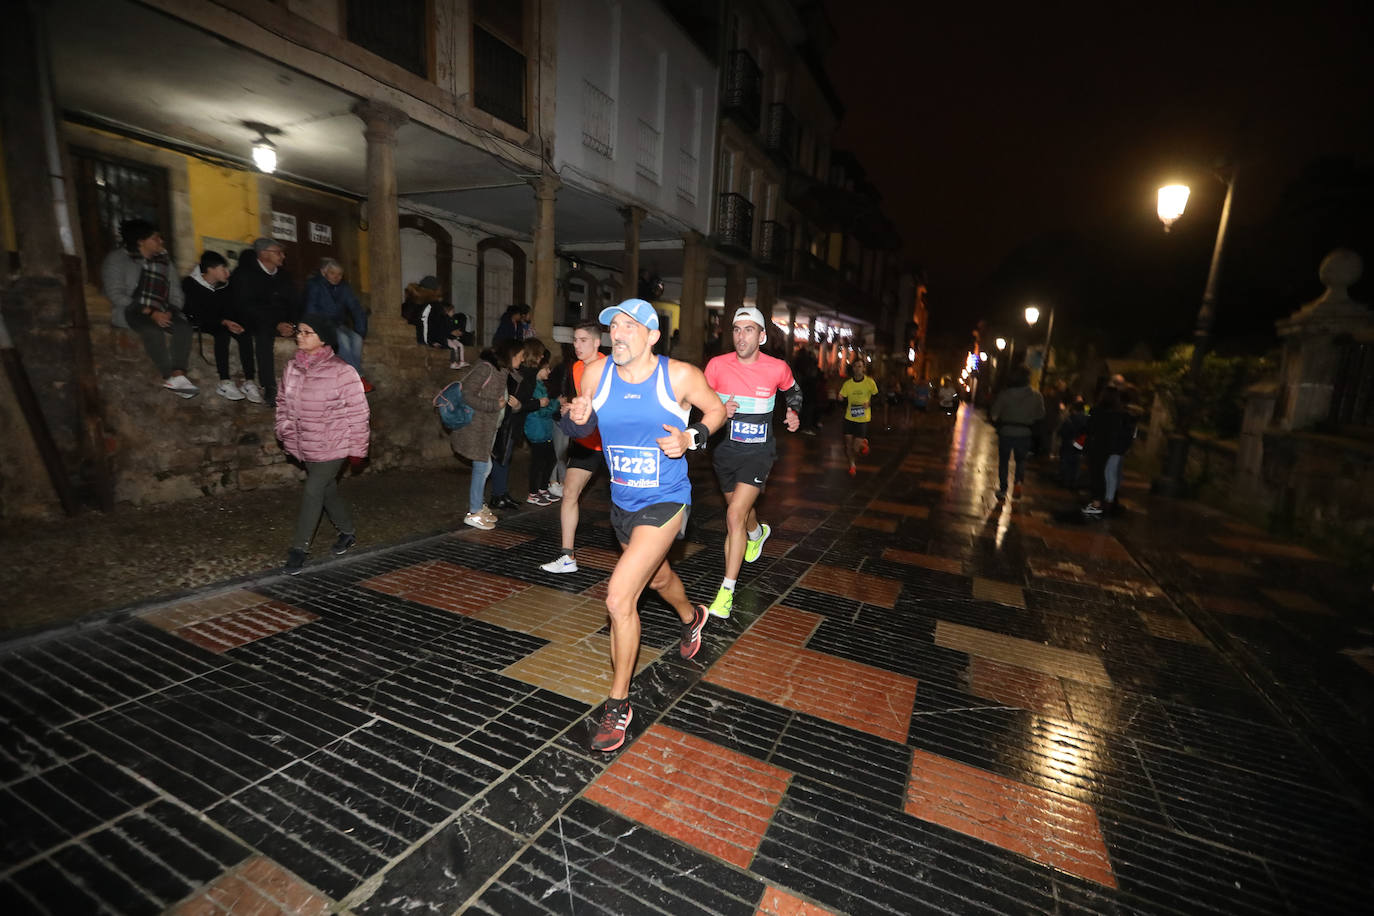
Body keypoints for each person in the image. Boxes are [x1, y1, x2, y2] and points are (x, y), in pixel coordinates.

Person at [560, 298, 726, 751]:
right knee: (657, 578)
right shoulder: (596, 374)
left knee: (618, 597)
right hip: (622, 503)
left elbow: (716, 410)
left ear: (652, 335)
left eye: (629, 325)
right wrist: (576, 419)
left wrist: (690, 438)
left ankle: (618, 705)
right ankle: (692, 617)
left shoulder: (680, 375)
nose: (618, 332)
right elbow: (582, 428)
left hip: (666, 500)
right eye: (614, 325)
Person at [702, 307, 802, 619]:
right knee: (742, 515)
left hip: (759, 453)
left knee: (733, 516)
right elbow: (698, 402)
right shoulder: (717, 366)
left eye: (748, 330)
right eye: (736, 329)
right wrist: (719, 407)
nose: (741, 336)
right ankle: (757, 533)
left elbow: (794, 392)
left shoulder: (777, 368)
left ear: (761, 336)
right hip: (724, 452)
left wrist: (793, 412)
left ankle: (726, 592)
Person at [274, 314, 370, 575]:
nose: (300, 336)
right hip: (306, 444)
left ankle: (299, 549)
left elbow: (358, 413)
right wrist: (284, 430)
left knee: (313, 490)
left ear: (323, 338)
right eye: (299, 331)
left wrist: (357, 450)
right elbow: (282, 403)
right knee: (327, 490)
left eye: (307, 332)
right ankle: (348, 533)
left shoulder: (342, 371)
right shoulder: (292, 368)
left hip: (333, 445)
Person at [100, 219, 198, 398]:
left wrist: (171, 310)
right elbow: (115, 294)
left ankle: (178, 374)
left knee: (183, 328)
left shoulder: (164, 262)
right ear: (141, 241)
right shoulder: (117, 260)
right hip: (132, 309)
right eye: (155, 238)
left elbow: (176, 292)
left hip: (161, 308)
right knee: (151, 331)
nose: (161, 241)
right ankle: (168, 375)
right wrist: (151, 313)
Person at [539, 322, 605, 574]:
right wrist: (572, 409)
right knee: (569, 494)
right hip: (586, 442)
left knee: (625, 503)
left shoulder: (611, 368)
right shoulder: (576, 367)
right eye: (575, 340)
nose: (577, 345)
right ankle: (567, 557)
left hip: (611, 442)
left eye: (583, 340)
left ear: (597, 343)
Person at [449, 344, 514, 530]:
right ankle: (474, 511)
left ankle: (478, 505)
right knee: (481, 467)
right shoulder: (485, 368)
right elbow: (467, 394)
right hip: (478, 427)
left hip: (489, 428)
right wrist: (493, 405)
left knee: (485, 467)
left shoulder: (501, 371)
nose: (522, 359)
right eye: (519, 355)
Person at [230, 238, 297, 405]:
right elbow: (246, 306)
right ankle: (269, 386)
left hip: (281, 323)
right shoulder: (244, 274)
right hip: (254, 321)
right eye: (278, 252)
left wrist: (292, 324)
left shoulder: (284, 276)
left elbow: (294, 303)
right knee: (263, 334)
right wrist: (276, 324)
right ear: (263, 254)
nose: (283, 256)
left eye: (282, 252)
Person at [181, 250, 251, 401]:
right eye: (223, 269)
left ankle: (250, 381)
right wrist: (223, 322)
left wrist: (233, 322)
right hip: (200, 323)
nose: (227, 273)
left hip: (221, 321)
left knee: (243, 333)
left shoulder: (223, 286)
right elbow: (195, 312)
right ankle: (224, 380)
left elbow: (228, 309)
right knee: (222, 334)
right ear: (211, 269)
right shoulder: (189, 284)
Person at [488, 338, 548, 511]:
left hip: (513, 422)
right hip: (509, 423)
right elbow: (517, 402)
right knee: (502, 458)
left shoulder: (525, 373)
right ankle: (498, 495)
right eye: (540, 353)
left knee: (505, 458)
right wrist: (537, 403)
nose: (542, 356)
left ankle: (502, 494)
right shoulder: (524, 375)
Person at [303, 258, 371, 390]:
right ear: (324, 272)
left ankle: (351, 376)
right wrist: (313, 329)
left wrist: (360, 331)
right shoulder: (314, 285)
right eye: (333, 273)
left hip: (338, 324)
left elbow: (355, 308)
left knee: (356, 339)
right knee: (343, 340)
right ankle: (357, 378)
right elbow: (310, 308)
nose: (337, 277)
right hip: (321, 324)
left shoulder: (344, 287)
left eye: (339, 274)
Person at [989, 365, 1046, 500]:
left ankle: (1003, 489)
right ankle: (1018, 483)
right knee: (1021, 461)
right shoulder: (1037, 396)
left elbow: (994, 414)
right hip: (1025, 433)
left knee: (1004, 461)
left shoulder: (1005, 394)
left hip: (1007, 432)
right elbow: (1041, 415)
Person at [1082, 386, 1137, 517]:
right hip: (1110, 448)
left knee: (1097, 475)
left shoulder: (1096, 411)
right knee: (1107, 475)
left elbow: (1089, 428)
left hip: (1097, 447)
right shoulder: (1119, 414)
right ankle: (1106, 501)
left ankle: (1097, 503)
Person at [523, 354, 560, 506]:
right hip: (537, 428)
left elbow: (545, 405)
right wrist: (556, 403)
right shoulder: (534, 386)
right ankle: (532, 493)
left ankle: (543, 489)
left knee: (550, 458)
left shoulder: (540, 385)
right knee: (538, 462)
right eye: (546, 369)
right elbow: (541, 410)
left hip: (544, 428)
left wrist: (551, 403)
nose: (549, 372)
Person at [838, 359, 879, 476]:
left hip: (862, 418)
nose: (857, 369)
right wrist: (840, 398)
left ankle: (862, 444)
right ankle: (852, 465)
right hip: (849, 418)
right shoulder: (847, 384)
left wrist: (870, 403)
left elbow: (877, 397)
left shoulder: (870, 382)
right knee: (848, 443)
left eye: (860, 366)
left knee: (856, 448)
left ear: (864, 368)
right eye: (855, 366)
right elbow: (842, 399)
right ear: (853, 368)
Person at [1057, 396, 1088, 488]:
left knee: (1066, 460)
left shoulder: (1071, 418)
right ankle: (1073, 479)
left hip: (1068, 442)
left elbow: (1063, 430)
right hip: (1079, 443)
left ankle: (1065, 478)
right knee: (1076, 461)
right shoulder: (1086, 419)